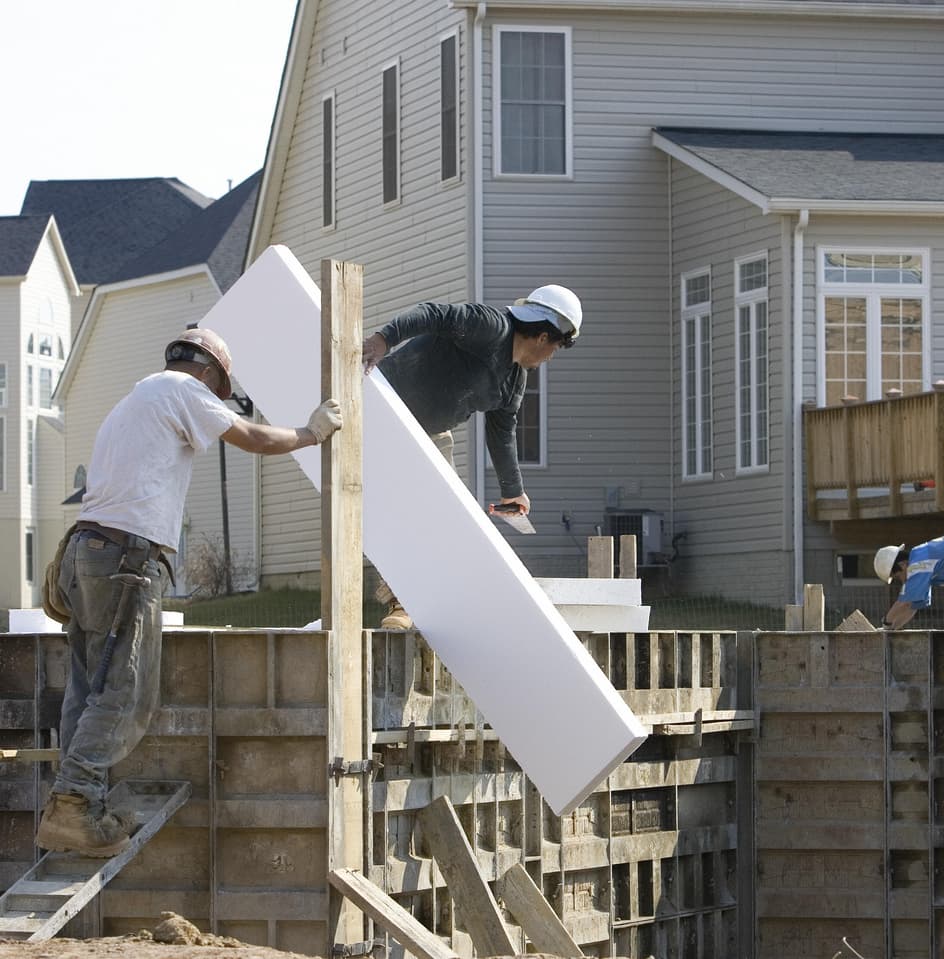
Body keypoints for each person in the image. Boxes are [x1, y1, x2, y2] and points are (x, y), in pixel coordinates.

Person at [36, 328, 343, 858]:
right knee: (123, 690)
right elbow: (254, 438)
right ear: (208, 374)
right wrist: (311, 433)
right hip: (125, 559)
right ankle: (74, 804)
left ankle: (75, 804)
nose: (215, 403)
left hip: (87, 552)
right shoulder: (182, 390)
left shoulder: (137, 397)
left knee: (88, 688)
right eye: (218, 392)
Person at [361, 284, 582, 629]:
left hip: (429, 434)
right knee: (408, 511)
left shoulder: (514, 380)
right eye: (555, 348)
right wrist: (383, 340)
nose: (550, 357)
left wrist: (513, 490)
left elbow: (501, 432)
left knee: (446, 515)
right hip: (383, 407)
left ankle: (421, 601)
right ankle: (401, 601)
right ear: (542, 337)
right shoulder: (491, 327)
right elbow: (433, 315)